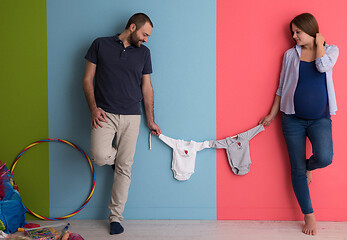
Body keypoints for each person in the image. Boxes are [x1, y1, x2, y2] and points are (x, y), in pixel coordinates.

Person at [259, 13, 339, 235]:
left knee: (325, 157)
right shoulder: (289, 55)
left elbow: (323, 67)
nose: (293, 36)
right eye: (292, 32)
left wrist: (320, 43)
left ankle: (308, 167)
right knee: (296, 168)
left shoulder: (331, 50)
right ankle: (309, 215)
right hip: (291, 119)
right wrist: (272, 114)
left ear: (310, 30)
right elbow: (281, 86)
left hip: (320, 119)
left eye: (297, 32)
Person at [83, 13, 161, 235]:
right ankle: (120, 160)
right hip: (104, 114)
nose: (146, 39)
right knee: (99, 157)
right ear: (133, 27)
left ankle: (115, 217)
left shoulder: (144, 53)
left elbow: (147, 88)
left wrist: (151, 120)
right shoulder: (100, 44)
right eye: (145, 34)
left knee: (125, 168)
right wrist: (93, 108)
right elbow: (87, 79)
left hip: (132, 116)